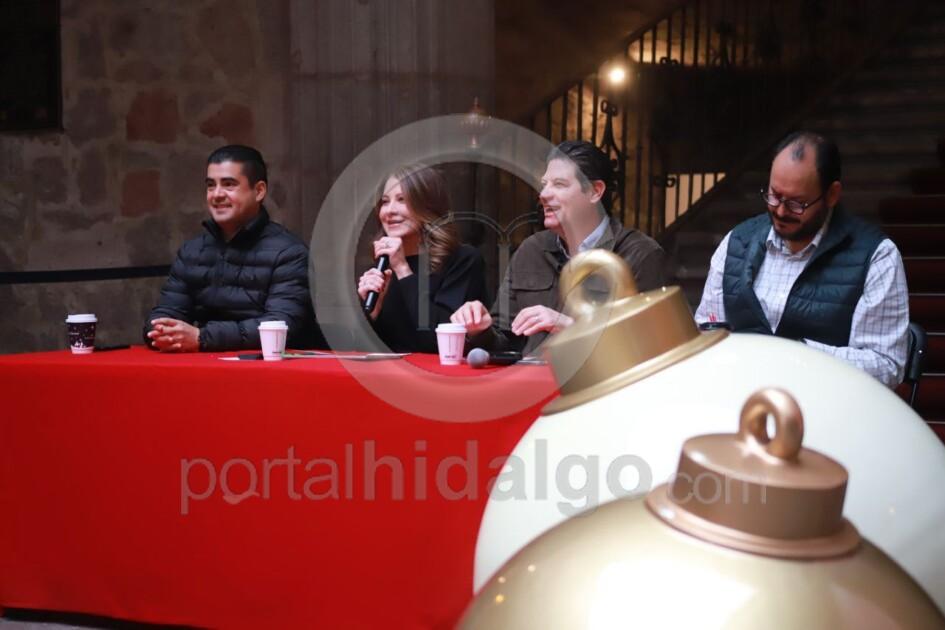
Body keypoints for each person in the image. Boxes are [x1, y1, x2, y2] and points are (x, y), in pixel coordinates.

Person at [694, 131, 909, 387]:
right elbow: (706, 329)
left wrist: (798, 356)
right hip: (739, 395)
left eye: (797, 204)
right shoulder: (737, 242)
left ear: (832, 195)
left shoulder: (877, 257)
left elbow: (886, 365)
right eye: (774, 195)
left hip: (826, 403)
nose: (780, 211)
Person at [451, 140, 666, 355]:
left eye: (559, 184)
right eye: (545, 184)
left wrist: (571, 328)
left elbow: (647, 350)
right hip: (530, 376)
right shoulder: (531, 250)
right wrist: (480, 330)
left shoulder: (640, 254)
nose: (544, 194)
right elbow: (505, 342)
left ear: (595, 191)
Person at [144, 145, 315, 352]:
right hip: (204, 364)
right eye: (210, 185)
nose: (216, 194)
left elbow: (281, 325)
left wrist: (202, 337)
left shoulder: (290, 253)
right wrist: (160, 331)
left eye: (228, 184)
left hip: (270, 367)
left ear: (259, 191)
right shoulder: (192, 252)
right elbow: (166, 311)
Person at [356, 165, 487, 353]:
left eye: (402, 200)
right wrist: (372, 313)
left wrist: (403, 270)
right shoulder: (382, 266)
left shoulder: (462, 260)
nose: (389, 210)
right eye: (385, 202)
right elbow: (361, 349)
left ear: (428, 206)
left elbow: (441, 343)